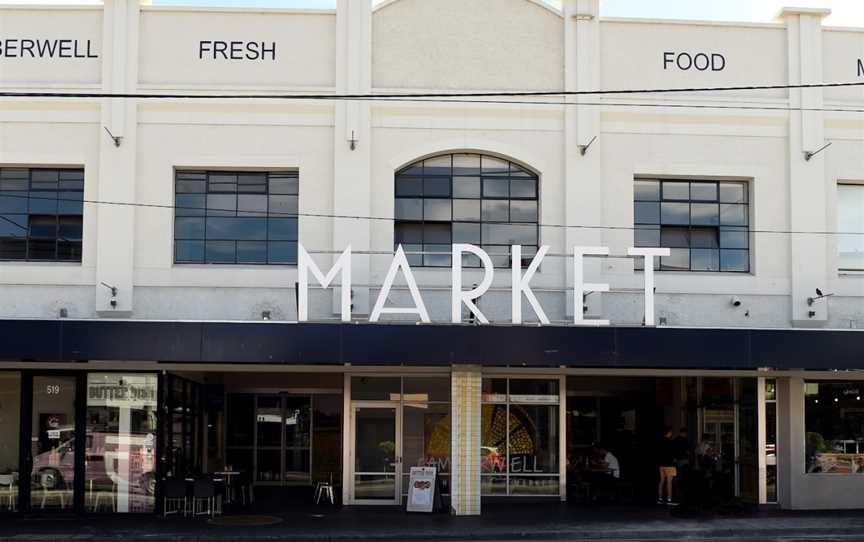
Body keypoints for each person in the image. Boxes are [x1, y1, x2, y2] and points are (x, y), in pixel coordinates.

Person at [657, 426, 677, 505]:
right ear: (668, 432)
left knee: (661, 481)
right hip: (669, 464)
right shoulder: (670, 442)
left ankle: (660, 498)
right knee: (669, 482)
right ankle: (669, 499)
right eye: (671, 432)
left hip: (661, 464)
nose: (671, 433)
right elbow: (673, 453)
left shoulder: (660, 442)